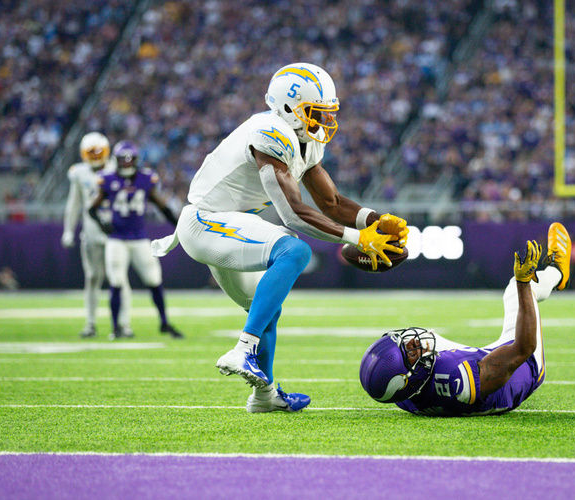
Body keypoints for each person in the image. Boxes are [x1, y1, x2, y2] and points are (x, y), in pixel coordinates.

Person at [151, 62, 409, 413]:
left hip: (229, 225)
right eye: (316, 112)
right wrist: (358, 239)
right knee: (293, 252)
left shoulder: (303, 140)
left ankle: (264, 396)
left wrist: (374, 220)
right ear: (289, 108)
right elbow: (293, 214)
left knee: (266, 307)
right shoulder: (270, 132)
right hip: (203, 222)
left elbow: (330, 202)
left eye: (327, 113)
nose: (324, 121)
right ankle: (243, 349)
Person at [360, 222, 572, 416]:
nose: (412, 341)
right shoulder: (455, 379)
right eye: (411, 352)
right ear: (407, 380)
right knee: (513, 290)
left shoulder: (403, 397)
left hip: (448, 377)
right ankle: (557, 270)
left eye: (405, 342)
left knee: (429, 338)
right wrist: (523, 282)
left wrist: (410, 357)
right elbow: (523, 349)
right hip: (521, 368)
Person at [88, 140, 184, 340]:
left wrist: (179, 225)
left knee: (154, 280)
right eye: (123, 159)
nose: (126, 163)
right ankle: (116, 328)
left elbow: (162, 206)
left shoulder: (145, 179)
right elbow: (92, 208)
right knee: (116, 282)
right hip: (117, 239)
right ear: (116, 160)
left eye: (130, 159)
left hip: (140, 239)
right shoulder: (107, 179)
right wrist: (102, 224)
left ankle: (164, 323)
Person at [61, 132, 132, 338]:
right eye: (90, 153)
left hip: (115, 233)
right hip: (91, 234)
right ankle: (91, 323)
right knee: (92, 277)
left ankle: (123, 324)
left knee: (118, 278)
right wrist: (68, 230)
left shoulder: (117, 169)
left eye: (98, 152)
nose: (95, 156)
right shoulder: (79, 173)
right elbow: (73, 205)